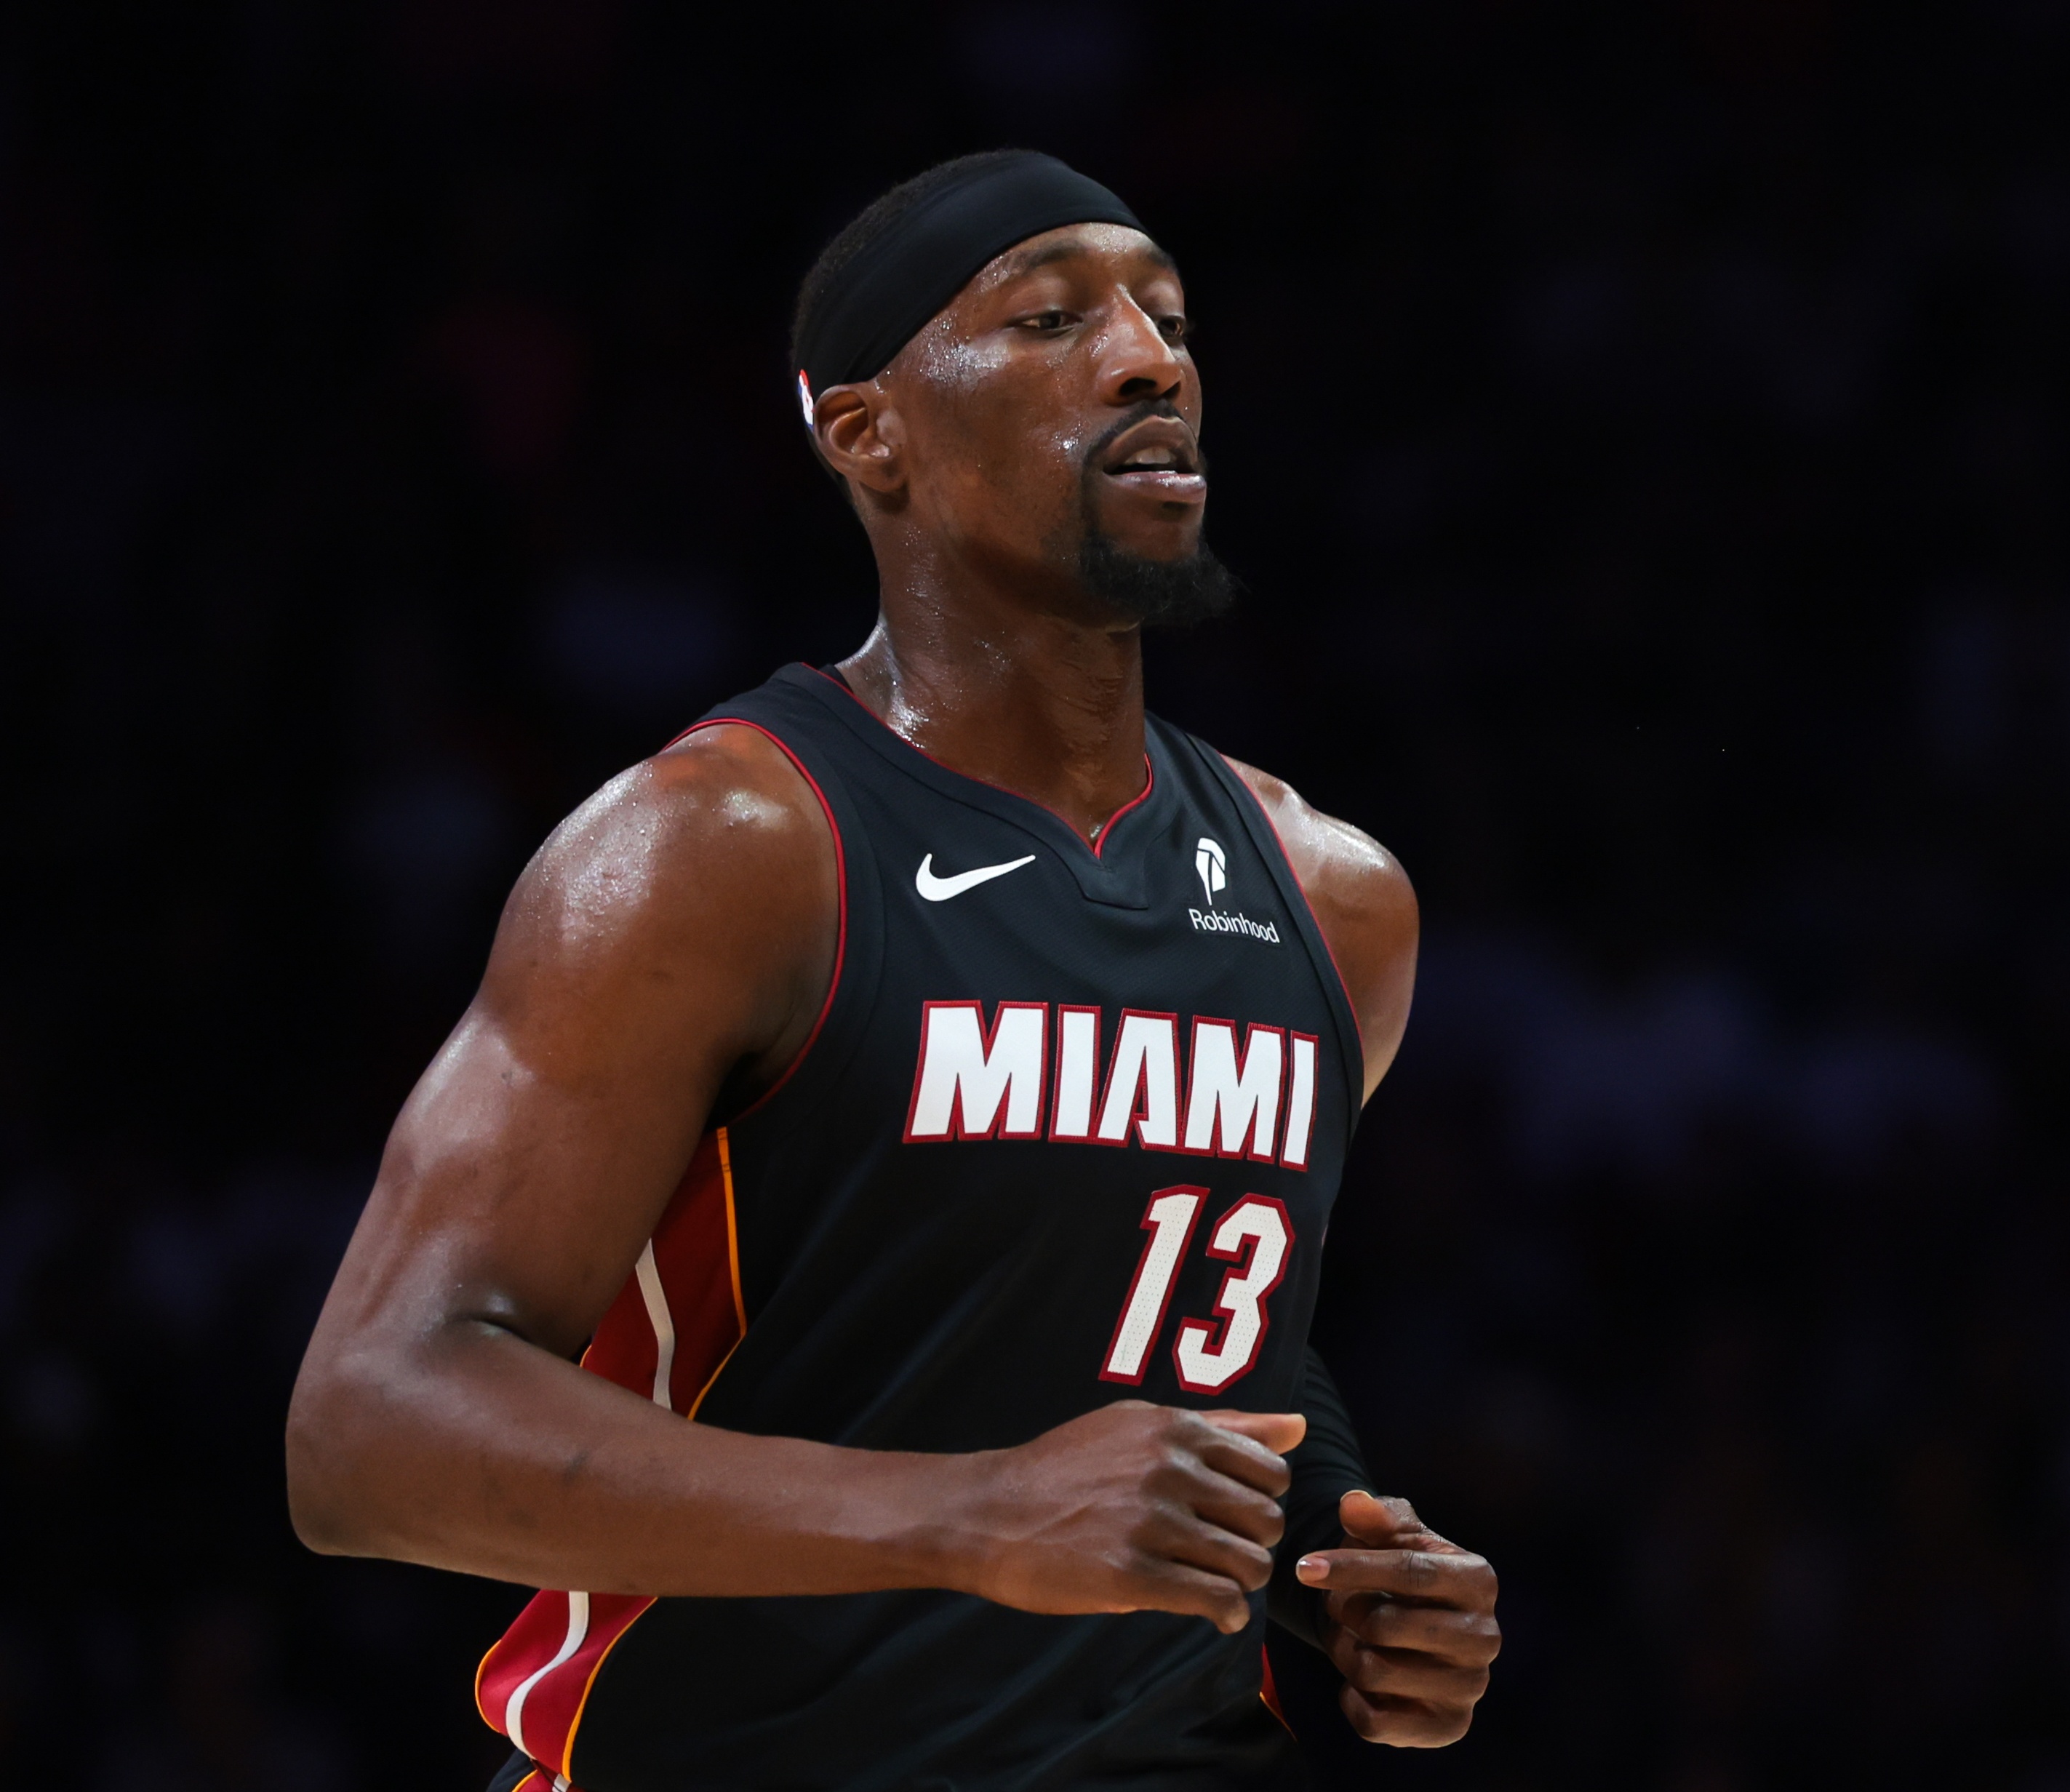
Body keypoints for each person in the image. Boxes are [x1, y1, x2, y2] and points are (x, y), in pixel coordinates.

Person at [286, 149, 1499, 1791]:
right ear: (870, 435)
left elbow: (1179, 1310)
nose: (1149, 360)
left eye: (1169, 318)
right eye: (1053, 318)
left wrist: (1341, 1569)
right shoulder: (723, 849)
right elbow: (367, 1426)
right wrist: (972, 1513)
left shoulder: (1333, 899)